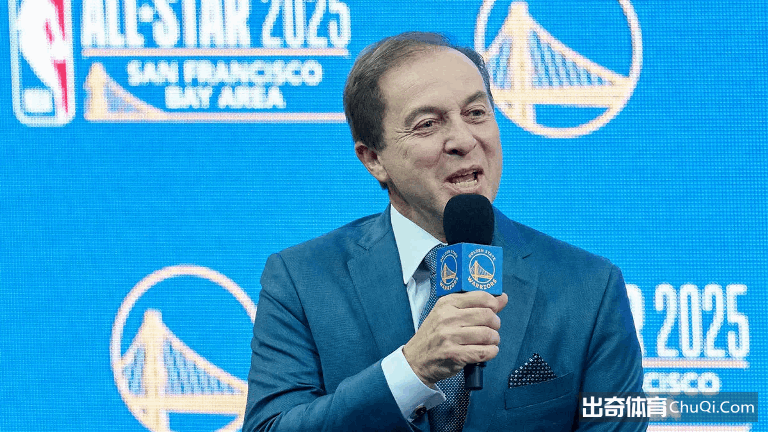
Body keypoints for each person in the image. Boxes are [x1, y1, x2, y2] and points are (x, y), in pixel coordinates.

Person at [243, 32, 646, 432]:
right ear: (374, 159)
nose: (464, 140)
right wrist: (411, 370)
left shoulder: (590, 289)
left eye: (476, 113)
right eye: (428, 124)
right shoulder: (302, 280)